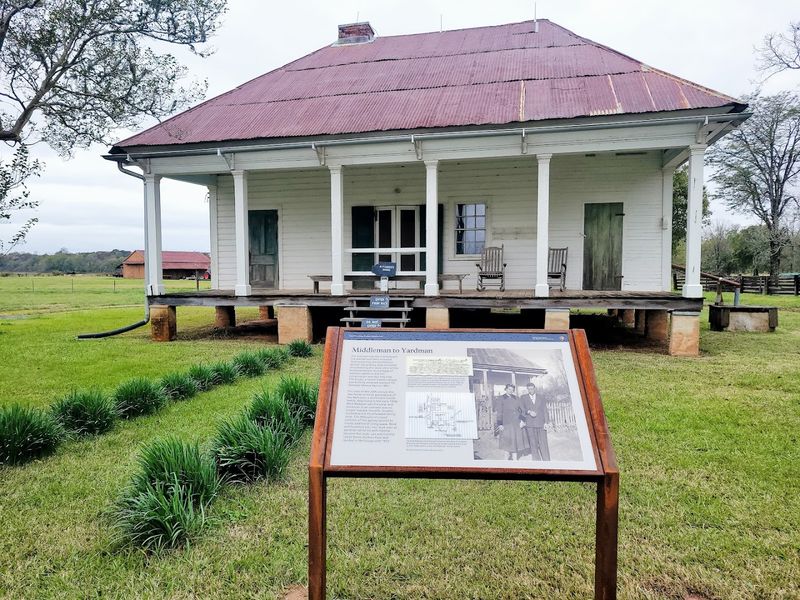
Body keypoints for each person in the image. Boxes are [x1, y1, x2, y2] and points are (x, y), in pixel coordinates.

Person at [494, 383, 530, 460]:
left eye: (512, 390)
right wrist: (500, 424)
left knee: (515, 441)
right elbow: (499, 412)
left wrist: (522, 421)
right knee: (507, 441)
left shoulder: (517, 398)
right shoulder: (501, 398)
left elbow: (523, 410)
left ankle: (515, 459)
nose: (510, 391)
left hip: (517, 423)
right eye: (509, 389)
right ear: (506, 389)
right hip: (506, 423)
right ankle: (506, 460)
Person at [518, 381, 551, 461]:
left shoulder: (541, 397)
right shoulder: (523, 397)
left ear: (534, 388)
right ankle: (537, 462)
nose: (531, 390)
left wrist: (546, 422)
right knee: (533, 443)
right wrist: (529, 412)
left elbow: (545, 410)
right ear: (527, 389)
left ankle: (547, 461)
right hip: (530, 425)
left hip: (541, 423)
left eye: (532, 388)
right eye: (529, 389)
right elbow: (521, 409)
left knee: (543, 443)